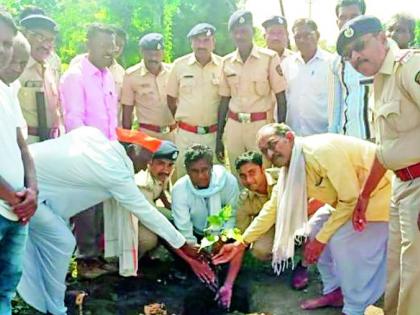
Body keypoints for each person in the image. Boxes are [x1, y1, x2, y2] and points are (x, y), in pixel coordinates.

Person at [17, 127, 215, 315]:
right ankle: (55, 307)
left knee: (46, 243)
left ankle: (45, 297)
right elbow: (148, 213)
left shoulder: (96, 138)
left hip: (25, 173)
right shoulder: (114, 171)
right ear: (130, 149)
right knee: (62, 241)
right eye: (145, 156)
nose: (146, 163)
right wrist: (184, 245)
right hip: (21, 186)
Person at [214, 123, 391, 315]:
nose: (271, 153)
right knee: (313, 231)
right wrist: (241, 243)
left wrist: (321, 242)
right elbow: (273, 209)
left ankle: (356, 306)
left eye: (273, 144)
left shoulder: (320, 151)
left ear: (289, 137)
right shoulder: (290, 169)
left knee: (339, 240)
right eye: (265, 150)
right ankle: (335, 292)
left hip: (378, 201)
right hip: (350, 205)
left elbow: (350, 200)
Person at [337, 16, 420, 315]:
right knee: (398, 271)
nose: (356, 57)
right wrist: (365, 195)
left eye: (360, 46)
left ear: (383, 38)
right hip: (401, 186)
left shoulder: (408, 66)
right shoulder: (379, 81)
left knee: (416, 276)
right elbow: (384, 150)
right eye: (350, 55)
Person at [60, 23, 118, 276]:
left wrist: (114, 148)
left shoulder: (107, 75)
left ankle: (97, 256)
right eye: (104, 46)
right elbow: (74, 119)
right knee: (85, 206)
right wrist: (87, 153)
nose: (110, 51)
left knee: (101, 204)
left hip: (106, 151)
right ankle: (85, 260)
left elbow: (110, 118)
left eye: (113, 46)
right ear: (89, 44)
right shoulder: (75, 76)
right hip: (85, 152)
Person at [216, 10, 287, 170]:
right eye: (236, 32)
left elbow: (281, 98)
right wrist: (219, 137)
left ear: (252, 32)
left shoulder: (269, 58)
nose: (240, 36)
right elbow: (224, 101)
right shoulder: (226, 62)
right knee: (237, 172)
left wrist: (280, 133)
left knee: (263, 172)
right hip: (234, 126)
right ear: (231, 35)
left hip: (260, 125)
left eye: (244, 31)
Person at [0, 24, 38, 314]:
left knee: (6, 286)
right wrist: (14, 198)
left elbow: (22, 147)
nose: (4, 51)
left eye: (7, 43)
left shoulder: (5, 92)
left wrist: (33, 191)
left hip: (17, 210)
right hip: (9, 205)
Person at [167, 23, 222, 177]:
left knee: (214, 179)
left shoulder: (223, 65)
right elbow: (170, 99)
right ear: (191, 43)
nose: (201, 45)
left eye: (206, 40)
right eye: (197, 41)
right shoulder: (179, 65)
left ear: (213, 43)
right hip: (186, 135)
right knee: (184, 178)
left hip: (213, 135)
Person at [172, 144, 239, 245]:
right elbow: (183, 225)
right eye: (194, 171)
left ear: (211, 166)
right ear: (187, 170)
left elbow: (232, 214)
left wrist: (222, 238)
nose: (200, 176)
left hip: (224, 232)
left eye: (204, 170)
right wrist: (192, 244)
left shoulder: (228, 181)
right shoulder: (179, 188)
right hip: (195, 233)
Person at [328, 0, 374, 140]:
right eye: (343, 17)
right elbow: (335, 107)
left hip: (377, 140)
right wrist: (334, 137)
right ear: (337, 23)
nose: (348, 22)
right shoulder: (336, 60)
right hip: (347, 139)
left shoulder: (380, 52)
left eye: (354, 16)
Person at [281, 18, 333, 136]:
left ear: (317, 35)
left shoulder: (331, 63)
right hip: (293, 136)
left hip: (322, 135)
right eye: (297, 37)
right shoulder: (287, 64)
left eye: (307, 35)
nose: (302, 40)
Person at [122, 33, 175, 140]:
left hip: (173, 134)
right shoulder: (131, 75)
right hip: (147, 135)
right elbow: (127, 111)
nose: (153, 58)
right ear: (141, 52)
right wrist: (127, 141)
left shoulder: (173, 72)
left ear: (163, 53)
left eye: (157, 54)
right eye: (149, 54)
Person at [19, 14, 63, 144]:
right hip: (26, 141)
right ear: (25, 35)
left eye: (50, 40)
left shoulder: (49, 69)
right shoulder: (15, 69)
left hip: (51, 140)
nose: (46, 45)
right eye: (40, 37)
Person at [135, 140, 178, 259]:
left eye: (170, 165)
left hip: (143, 216)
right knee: (149, 240)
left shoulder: (159, 174)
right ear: (150, 162)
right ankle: (130, 261)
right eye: (161, 163)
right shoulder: (143, 184)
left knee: (174, 217)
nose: (166, 169)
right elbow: (153, 218)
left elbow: (161, 191)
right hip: (129, 222)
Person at [109, 26, 127, 126]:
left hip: (114, 130)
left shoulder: (121, 72)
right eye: (115, 44)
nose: (117, 49)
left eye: (121, 46)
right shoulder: (81, 64)